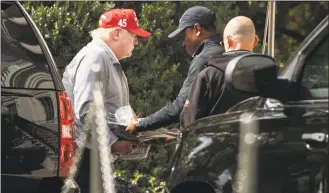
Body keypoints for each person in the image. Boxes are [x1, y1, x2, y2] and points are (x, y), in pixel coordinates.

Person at [61, 8, 151, 193]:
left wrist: (140, 132)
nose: (136, 42)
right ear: (116, 33)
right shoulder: (95, 56)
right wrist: (112, 142)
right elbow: (87, 111)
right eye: (133, 35)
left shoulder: (107, 60)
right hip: (85, 159)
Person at [126, 6, 224, 133]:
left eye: (184, 35)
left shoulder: (204, 59)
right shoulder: (227, 51)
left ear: (197, 29)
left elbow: (182, 106)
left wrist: (140, 123)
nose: (183, 43)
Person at [180, 16, 259, 128]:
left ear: (228, 40)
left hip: (218, 143)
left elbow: (189, 123)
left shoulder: (208, 76)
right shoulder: (272, 75)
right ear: (255, 41)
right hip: (261, 143)